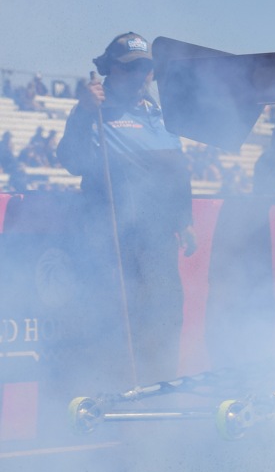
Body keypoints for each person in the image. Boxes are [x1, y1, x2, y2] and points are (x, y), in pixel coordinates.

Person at [57, 33, 196, 388]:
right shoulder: (94, 109)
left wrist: (186, 220)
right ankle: (111, 397)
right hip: (112, 241)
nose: (142, 76)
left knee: (164, 317)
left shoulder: (160, 115)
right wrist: (84, 112)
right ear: (111, 70)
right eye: (133, 69)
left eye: (147, 69)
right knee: (116, 322)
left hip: (159, 241)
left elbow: (177, 172)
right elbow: (70, 160)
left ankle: (160, 392)